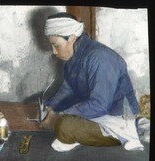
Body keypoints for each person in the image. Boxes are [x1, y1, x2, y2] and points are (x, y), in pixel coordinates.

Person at [40, 12, 144, 152]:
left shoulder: (101, 58)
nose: (54, 51)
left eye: (56, 45)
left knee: (64, 126)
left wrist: (60, 115)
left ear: (71, 38)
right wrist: (50, 107)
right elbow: (68, 89)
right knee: (59, 120)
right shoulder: (73, 59)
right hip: (95, 114)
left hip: (116, 120)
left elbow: (100, 105)